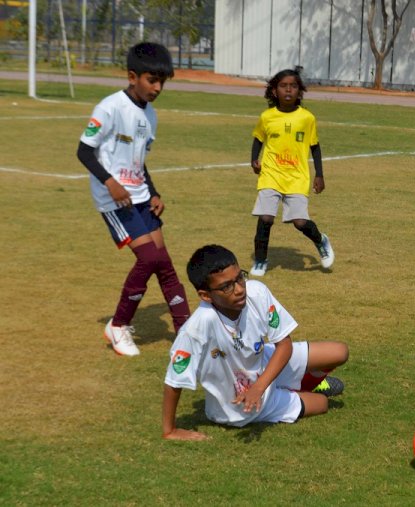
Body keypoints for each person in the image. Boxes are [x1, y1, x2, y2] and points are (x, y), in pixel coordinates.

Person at [162, 244, 348, 440]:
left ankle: (301, 383)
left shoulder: (256, 292)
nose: (239, 289)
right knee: (322, 403)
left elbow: (284, 345)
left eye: (239, 278)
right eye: (227, 286)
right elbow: (174, 380)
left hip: (261, 365)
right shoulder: (196, 328)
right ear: (206, 295)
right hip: (241, 408)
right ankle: (295, 388)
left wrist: (259, 386)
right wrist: (170, 430)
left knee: (339, 352)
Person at [76, 42, 190, 357]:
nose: (157, 88)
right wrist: (111, 183)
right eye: (151, 80)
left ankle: (186, 330)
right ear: (132, 76)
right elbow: (84, 151)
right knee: (150, 259)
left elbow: (139, 161)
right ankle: (118, 325)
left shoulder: (150, 115)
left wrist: (153, 192)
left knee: (164, 263)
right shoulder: (110, 107)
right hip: (114, 199)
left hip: (140, 195)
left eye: (161, 82)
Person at [249, 68, 334, 277]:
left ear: (300, 91)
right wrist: (254, 159)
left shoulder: (307, 118)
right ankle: (260, 260)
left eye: (293, 86)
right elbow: (258, 139)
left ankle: (320, 240)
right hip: (271, 174)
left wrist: (319, 174)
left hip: (297, 176)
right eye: (283, 86)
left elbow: (315, 146)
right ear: (274, 91)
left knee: (300, 222)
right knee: (266, 218)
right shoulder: (267, 117)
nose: (288, 90)